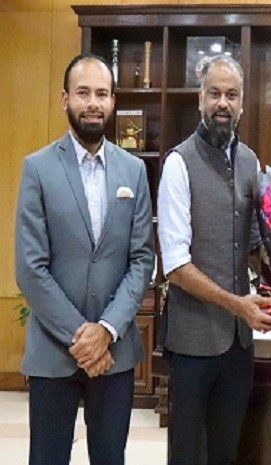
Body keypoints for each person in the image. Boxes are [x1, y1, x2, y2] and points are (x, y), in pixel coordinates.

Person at [15, 53, 155, 465]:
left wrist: (106, 330)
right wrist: (83, 337)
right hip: (53, 350)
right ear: (65, 99)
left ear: (113, 101)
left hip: (115, 351)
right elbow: (30, 267)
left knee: (110, 457)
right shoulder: (37, 169)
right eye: (83, 93)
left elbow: (141, 259)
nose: (93, 103)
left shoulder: (134, 171)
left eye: (101, 94)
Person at [157, 55, 271, 465]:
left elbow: (254, 243)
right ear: (200, 99)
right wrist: (237, 304)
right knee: (188, 454)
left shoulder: (250, 162)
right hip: (192, 343)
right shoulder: (178, 163)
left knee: (227, 453)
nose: (222, 103)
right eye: (214, 94)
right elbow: (176, 267)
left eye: (231, 95)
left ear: (242, 103)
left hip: (238, 345)